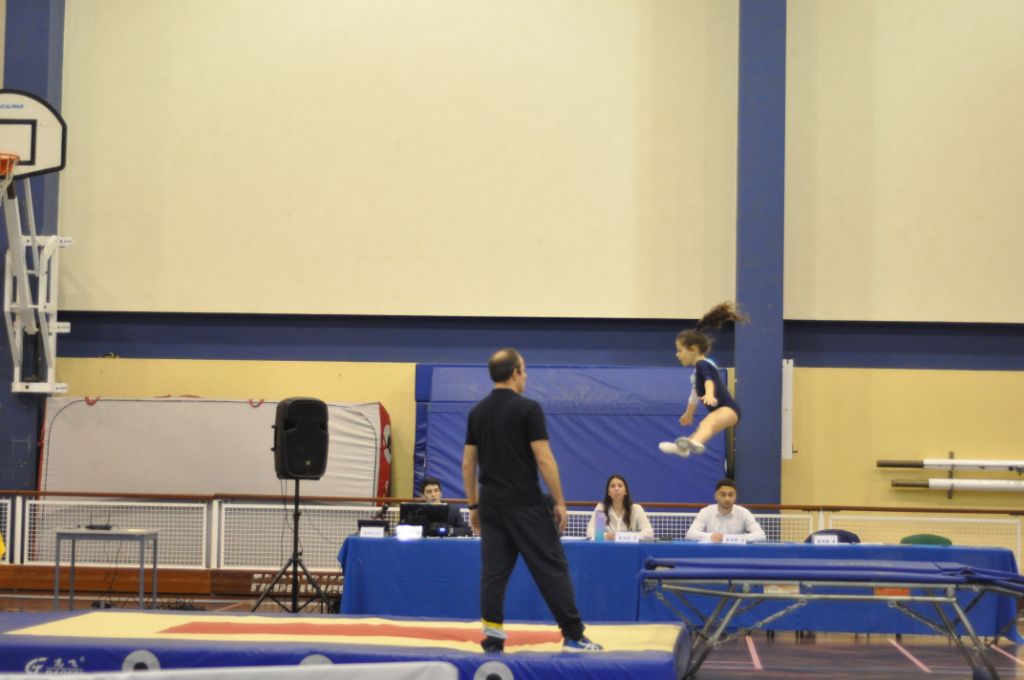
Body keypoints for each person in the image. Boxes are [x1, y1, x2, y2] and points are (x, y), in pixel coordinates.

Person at [462, 348, 602, 653]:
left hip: (490, 503)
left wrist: (473, 505)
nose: (525, 376)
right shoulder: (528, 409)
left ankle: (493, 639)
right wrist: (560, 501)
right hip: (524, 502)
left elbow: (468, 464)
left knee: (494, 573)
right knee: (551, 567)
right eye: (524, 370)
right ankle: (574, 634)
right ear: (515, 373)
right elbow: (544, 458)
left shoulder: (477, 412)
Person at [661, 301, 748, 457]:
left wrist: (709, 394)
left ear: (693, 349)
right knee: (703, 427)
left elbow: (709, 380)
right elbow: (694, 397)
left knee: (707, 422)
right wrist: (688, 414)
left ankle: (696, 443)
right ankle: (683, 448)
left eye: (680, 350)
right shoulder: (696, 373)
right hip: (724, 410)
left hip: (729, 409)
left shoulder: (703, 364)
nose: (677, 355)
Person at [685, 478, 765, 543]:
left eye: (731, 495)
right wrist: (710, 537)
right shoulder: (705, 512)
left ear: (736, 496)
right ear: (715, 496)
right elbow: (690, 534)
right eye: (723, 495)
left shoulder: (744, 512)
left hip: (737, 553)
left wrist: (738, 538)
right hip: (712, 553)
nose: (727, 499)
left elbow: (761, 535)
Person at [586, 474, 655, 541]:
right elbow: (590, 533)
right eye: (612, 486)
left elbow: (649, 533)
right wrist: (605, 536)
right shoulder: (601, 509)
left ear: (625, 491)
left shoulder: (636, 509)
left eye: (620, 486)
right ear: (608, 492)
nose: (616, 489)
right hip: (607, 547)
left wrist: (626, 537)